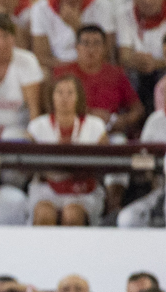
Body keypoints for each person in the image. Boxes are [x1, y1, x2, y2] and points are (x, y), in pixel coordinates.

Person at [22, 75, 107, 226]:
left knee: (72, 215)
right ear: (51, 96)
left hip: (82, 189)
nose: (64, 98)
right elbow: (27, 163)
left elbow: (105, 163)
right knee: (44, 214)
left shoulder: (96, 126)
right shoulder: (37, 126)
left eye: (70, 93)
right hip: (46, 187)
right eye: (59, 92)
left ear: (78, 97)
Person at [53, 26, 145, 141]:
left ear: (104, 48)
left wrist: (122, 120)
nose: (91, 49)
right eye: (85, 43)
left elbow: (137, 109)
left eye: (96, 43)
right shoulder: (63, 73)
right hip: (73, 133)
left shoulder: (116, 74)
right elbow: (50, 107)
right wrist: (88, 114)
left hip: (109, 133)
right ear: (76, 47)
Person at [117, 0, 166, 115]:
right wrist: (136, 61)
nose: (148, 2)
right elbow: (124, 56)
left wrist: (156, 64)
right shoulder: (125, 14)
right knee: (126, 75)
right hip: (137, 72)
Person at [30, 0, 116, 74]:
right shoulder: (40, 8)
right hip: (59, 67)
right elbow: (41, 57)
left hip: (93, 67)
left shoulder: (102, 5)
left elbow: (106, 54)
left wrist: (77, 28)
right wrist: (70, 68)